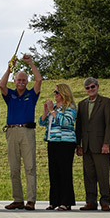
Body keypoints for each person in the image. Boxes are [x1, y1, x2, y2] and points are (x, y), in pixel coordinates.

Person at [0, 54, 42, 210]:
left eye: (24, 80)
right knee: (14, 167)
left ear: (27, 82)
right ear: (15, 81)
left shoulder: (31, 95)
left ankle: (31, 200)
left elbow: (39, 80)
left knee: (30, 167)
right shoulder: (10, 95)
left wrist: (30, 63)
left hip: (26, 131)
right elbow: (2, 85)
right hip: (11, 132)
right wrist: (9, 68)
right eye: (19, 80)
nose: (21, 82)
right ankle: (18, 199)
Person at [75, 77, 110, 211]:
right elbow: (79, 126)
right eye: (87, 88)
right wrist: (78, 145)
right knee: (89, 175)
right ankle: (90, 202)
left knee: (103, 175)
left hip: (100, 145)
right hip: (86, 146)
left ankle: (105, 201)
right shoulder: (82, 104)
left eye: (92, 87)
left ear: (97, 87)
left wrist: (107, 143)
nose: (90, 89)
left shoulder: (106, 102)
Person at [39, 83, 77, 211]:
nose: (54, 94)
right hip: (52, 141)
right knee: (53, 172)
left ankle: (66, 202)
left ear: (63, 93)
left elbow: (66, 122)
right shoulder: (54, 107)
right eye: (54, 92)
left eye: (56, 92)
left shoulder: (70, 107)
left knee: (64, 172)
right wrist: (46, 112)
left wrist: (52, 111)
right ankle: (54, 201)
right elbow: (42, 122)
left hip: (65, 143)